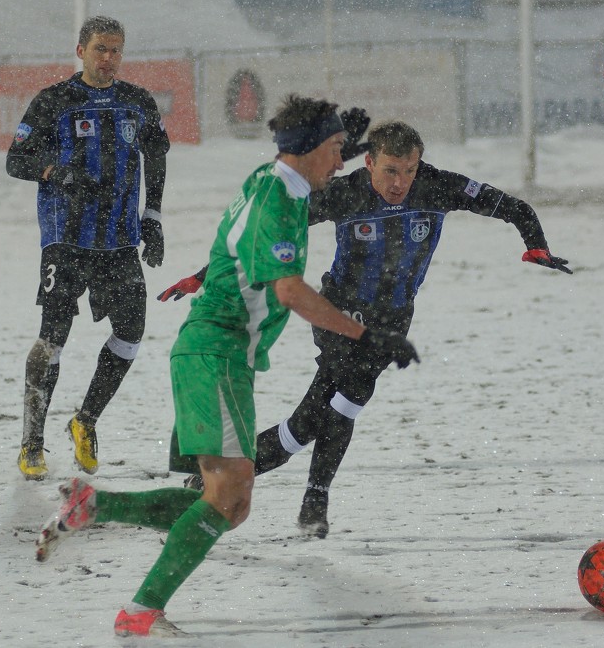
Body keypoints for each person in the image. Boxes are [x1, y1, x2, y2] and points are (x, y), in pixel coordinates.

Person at [33, 96, 420, 638]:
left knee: (224, 502)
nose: (342, 163)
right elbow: (289, 291)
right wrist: (368, 334)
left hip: (215, 355)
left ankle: (94, 506)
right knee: (230, 497)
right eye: (336, 152)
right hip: (215, 353)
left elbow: (302, 175)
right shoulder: (280, 204)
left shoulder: (271, 176)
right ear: (309, 149)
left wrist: (336, 146)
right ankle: (139, 610)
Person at [160, 119, 572, 537]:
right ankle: (314, 499)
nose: (400, 183)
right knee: (348, 397)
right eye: (391, 171)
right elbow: (265, 234)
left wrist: (535, 244)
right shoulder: (346, 192)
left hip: (392, 321)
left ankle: (219, 482)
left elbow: (513, 207)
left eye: (409, 171)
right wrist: (204, 274)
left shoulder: (439, 186)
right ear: (371, 162)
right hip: (339, 311)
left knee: (305, 425)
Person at [6, 15, 170, 481]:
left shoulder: (137, 102)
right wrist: (57, 172)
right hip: (66, 239)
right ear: (80, 50)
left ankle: (86, 420)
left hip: (119, 240)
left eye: (116, 49)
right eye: (100, 48)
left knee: (132, 332)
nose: (108, 58)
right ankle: (32, 443)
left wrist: (153, 218)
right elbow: (16, 159)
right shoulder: (54, 101)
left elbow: (155, 156)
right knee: (53, 337)